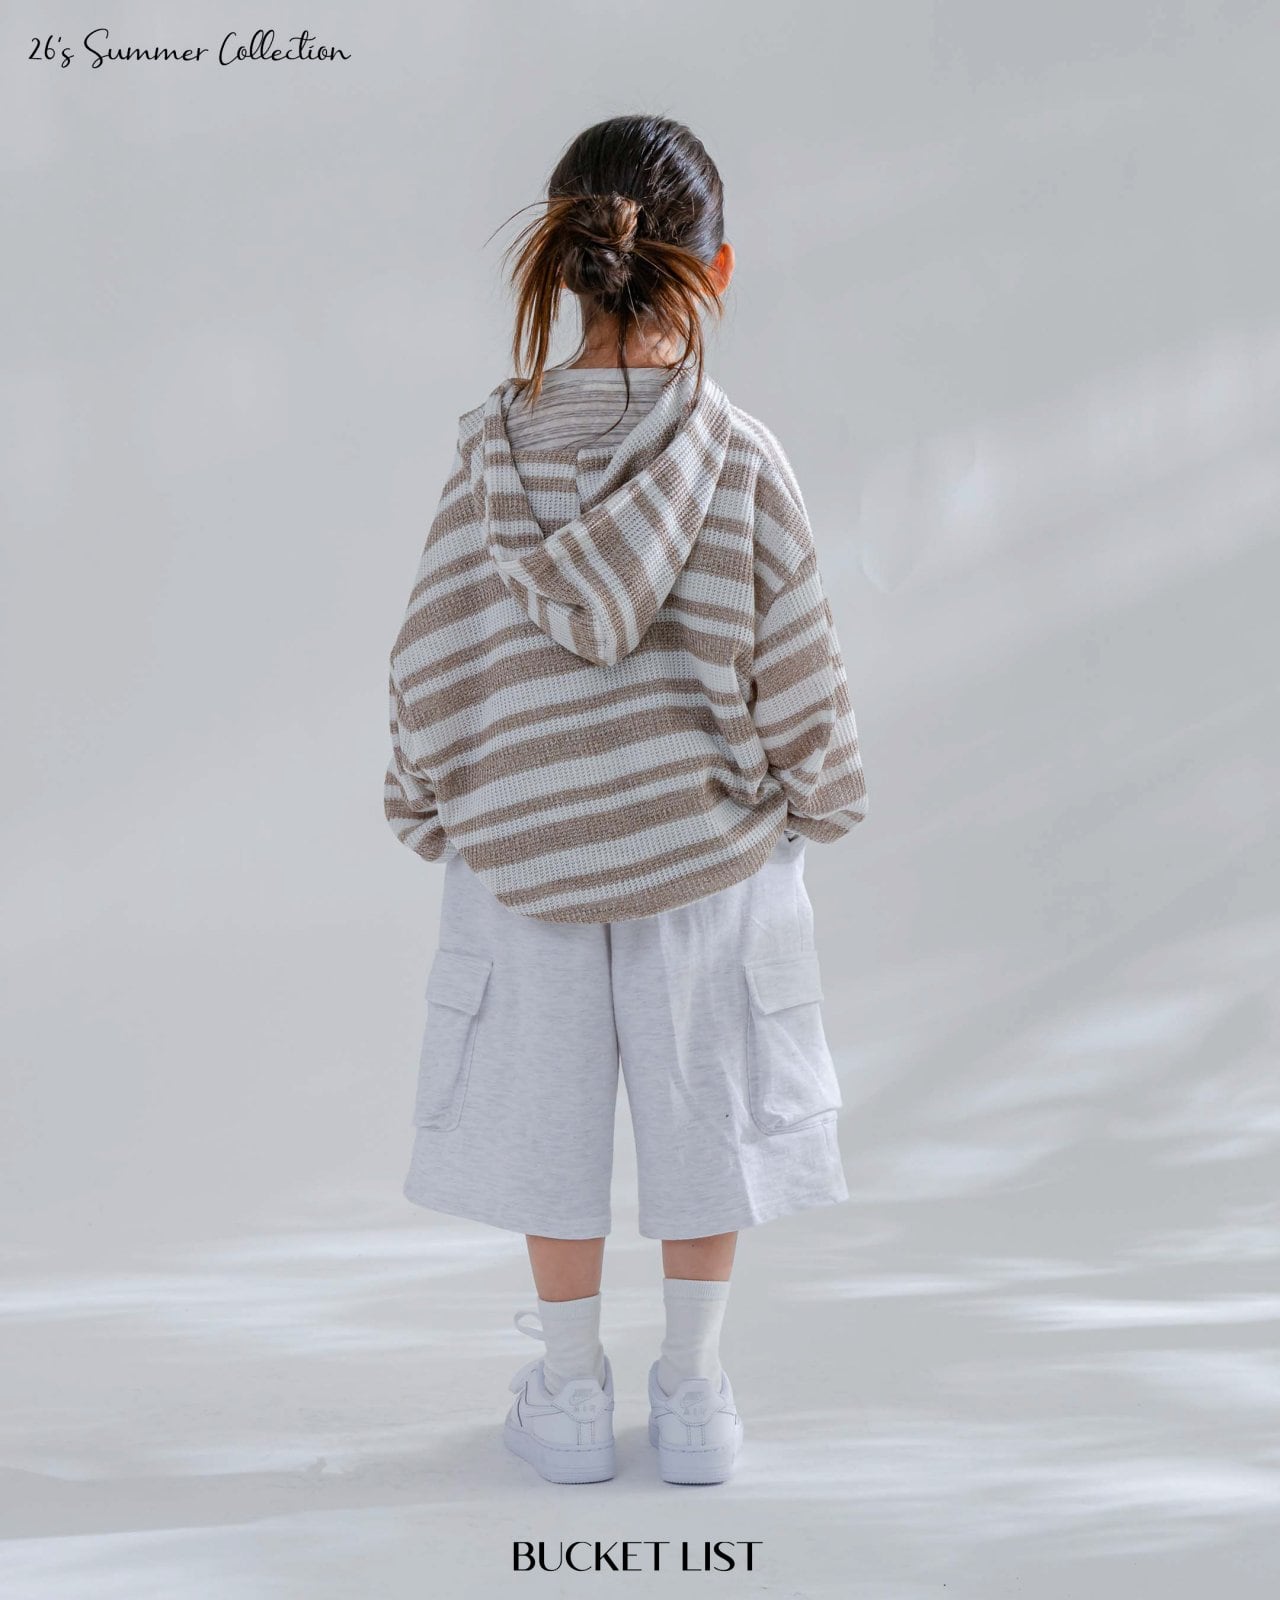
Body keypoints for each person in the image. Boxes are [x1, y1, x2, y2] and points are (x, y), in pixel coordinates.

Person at [383, 114, 867, 1486]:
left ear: (563, 259)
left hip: (526, 849)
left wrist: (424, 803)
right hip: (703, 850)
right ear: (717, 268)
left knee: (549, 1121)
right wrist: (821, 798)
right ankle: (697, 1395)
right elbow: (798, 665)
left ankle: (571, 1392)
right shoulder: (741, 454)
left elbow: (434, 654)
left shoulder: (495, 455)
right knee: (707, 1110)